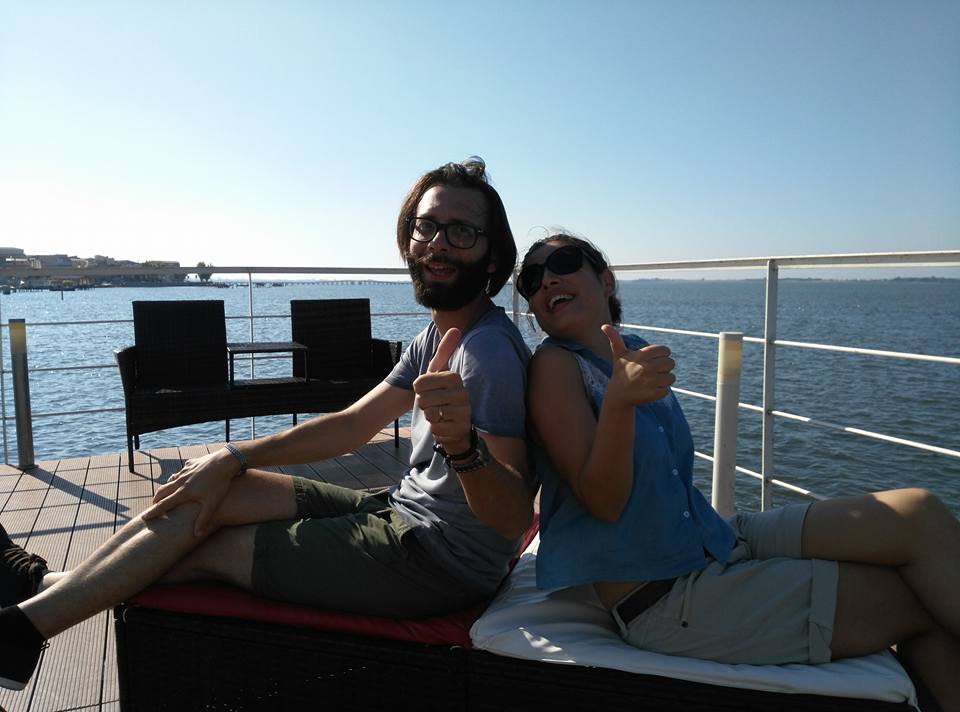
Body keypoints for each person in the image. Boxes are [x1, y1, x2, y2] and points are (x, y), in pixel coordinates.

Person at [0, 157, 536, 691]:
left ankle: (25, 620)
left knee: (211, 547)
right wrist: (232, 457)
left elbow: (510, 517)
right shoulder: (437, 334)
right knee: (201, 492)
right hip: (396, 511)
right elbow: (352, 425)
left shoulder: (486, 352)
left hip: (437, 562)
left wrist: (462, 446)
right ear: (408, 236)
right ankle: (36, 596)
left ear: (492, 258)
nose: (438, 243)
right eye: (427, 225)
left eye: (462, 232)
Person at [518, 233, 960, 710]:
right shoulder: (555, 367)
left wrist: (625, 390)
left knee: (917, 512)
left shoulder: (634, 350)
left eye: (563, 262)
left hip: (715, 538)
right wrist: (620, 404)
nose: (547, 280)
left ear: (606, 280)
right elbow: (604, 503)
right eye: (531, 279)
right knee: (912, 600)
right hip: (664, 597)